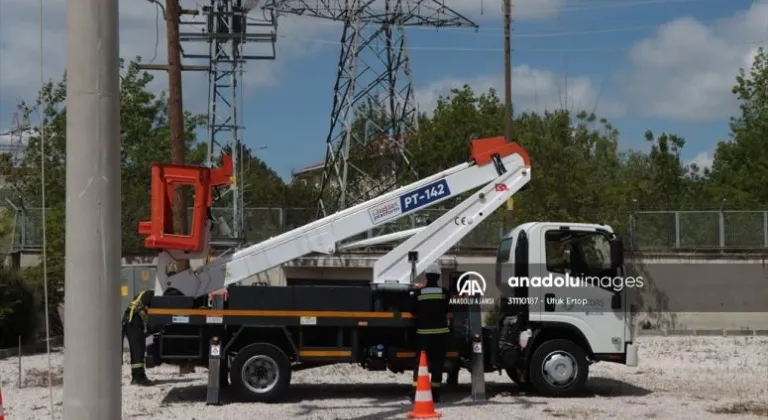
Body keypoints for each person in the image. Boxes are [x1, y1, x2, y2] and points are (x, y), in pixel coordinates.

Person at [410, 262, 450, 402]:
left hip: (423, 334)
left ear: (426, 276)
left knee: (420, 364)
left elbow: (413, 311)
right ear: (438, 277)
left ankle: (416, 391)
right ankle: (436, 393)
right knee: (438, 364)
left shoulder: (418, 293)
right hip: (440, 334)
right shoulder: (444, 293)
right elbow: (449, 312)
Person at [122, 289, 155, 386]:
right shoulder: (151, 295)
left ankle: (138, 376)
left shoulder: (146, 293)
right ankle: (138, 378)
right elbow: (147, 314)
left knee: (138, 349)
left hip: (132, 322)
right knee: (138, 350)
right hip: (133, 323)